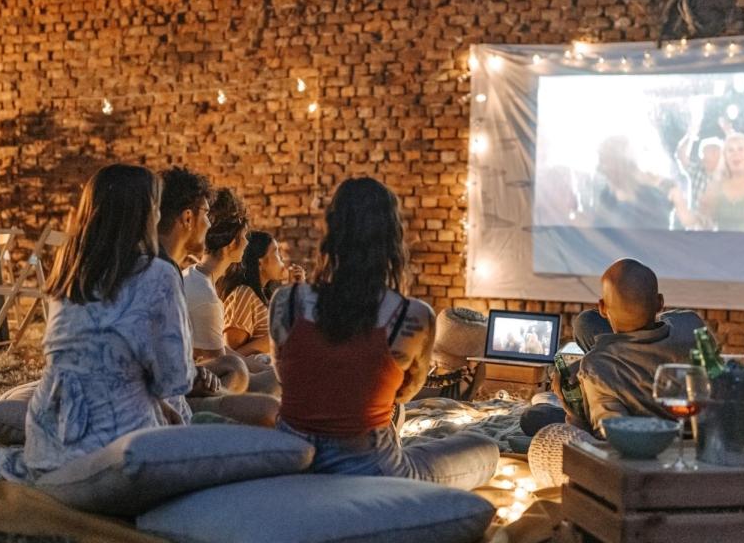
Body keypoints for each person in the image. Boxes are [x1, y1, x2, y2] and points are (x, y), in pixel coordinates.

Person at [269, 177, 499, 489]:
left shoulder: (286, 300)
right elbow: (404, 394)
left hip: (292, 457)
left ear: (331, 232)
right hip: (371, 467)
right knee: (483, 447)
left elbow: (286, 377)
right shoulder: (413, 315)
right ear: (392, 238)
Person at [0, 164, 199, 481]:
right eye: (154, 208)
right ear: (144, 214)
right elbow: (175, 381)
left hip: (46, 449)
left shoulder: (69, 273)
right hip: (119, 453)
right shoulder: (158, 275)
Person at [518, 259, 703, 439]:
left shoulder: (596, 368)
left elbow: (611, 437)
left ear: (603, 308)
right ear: (660, 302)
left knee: (533, 417)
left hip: (648, 427)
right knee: (586, 322)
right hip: (676, 393)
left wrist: (574, 413)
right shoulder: (691, 323)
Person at [158, 168, 277, 423]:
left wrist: (195, 374)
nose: (209, 224)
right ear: (188, 218)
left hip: (179, 393)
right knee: (269, 405)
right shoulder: (160, 278)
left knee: (240, 370)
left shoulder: (177, 273)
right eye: (205, 214)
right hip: (171, 411)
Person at [218, 231, 305, 357]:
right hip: (257, 375)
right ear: (260, 262)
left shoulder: (265, 294)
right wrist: (274, 338)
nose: (282, 259)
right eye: (276, 252)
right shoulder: (244, 294)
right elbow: (231, 356)